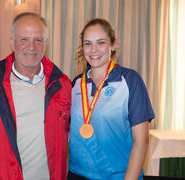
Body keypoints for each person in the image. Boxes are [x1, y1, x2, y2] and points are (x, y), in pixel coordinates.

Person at [0, 12, 71, 179]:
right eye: (23, 39)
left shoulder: (63, 85)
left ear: (46, 43)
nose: (31, 47)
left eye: (38, 40)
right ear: (12, 43)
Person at [67, 18, 155, 180]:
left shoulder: (130, 81)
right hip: (76, 175)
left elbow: (141, 141)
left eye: (101, 42)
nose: (93, 50)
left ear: (113, 45)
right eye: (87, 43)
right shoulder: (75, 84)